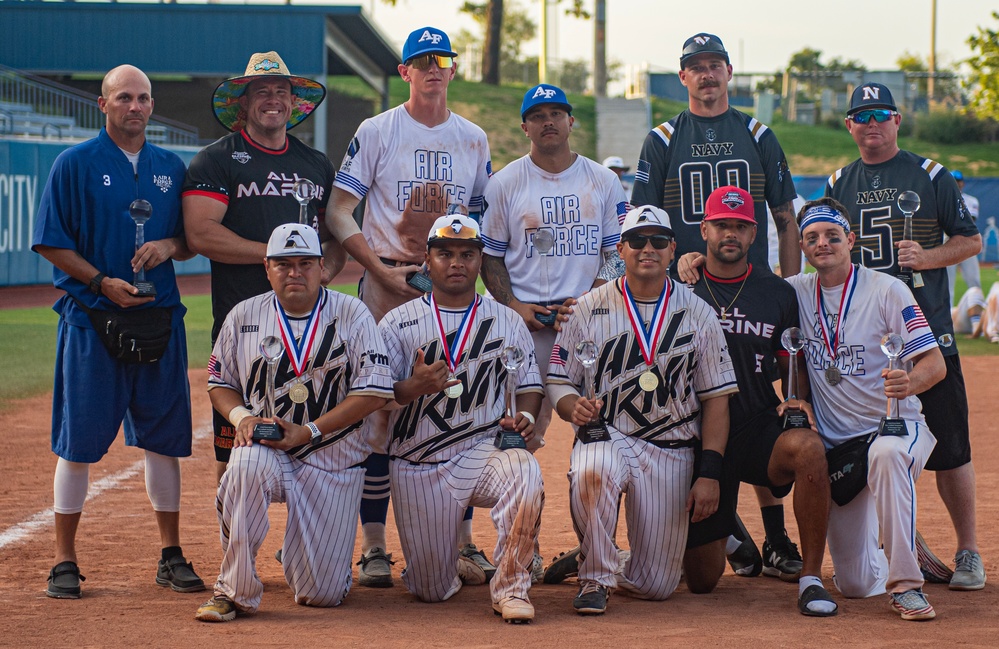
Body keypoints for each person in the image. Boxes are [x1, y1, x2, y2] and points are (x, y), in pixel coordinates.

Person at [324, 26, 493, 587]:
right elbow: (340, 210)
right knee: (377, 408)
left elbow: (476, 225)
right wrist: (377, 269)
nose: (431, 67)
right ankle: (373, 546)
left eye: (440, 58)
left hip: (449, 289)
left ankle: (463, 541)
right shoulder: (378, 130)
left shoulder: (472, 138)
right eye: (420, 60)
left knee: (454, 405)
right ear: (405, 72)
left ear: (452, 68)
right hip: (385, 279)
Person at [630, 33, 802, 571]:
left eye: (715, 65)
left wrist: (788, 289)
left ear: (729, 72)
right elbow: (639, 224)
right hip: (681, 292)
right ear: (682, 77)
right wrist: (673, 257)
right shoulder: (661, 138)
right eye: (695, 67)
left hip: (750, 286)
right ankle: (725, 526)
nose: (706, 75)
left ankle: (773, 538)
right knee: (683, 411)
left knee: (753, 403)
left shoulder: (756, 132)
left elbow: (785, 217)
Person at [32, 65, 203, 599]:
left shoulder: (171, 167)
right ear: (102, 105)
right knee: (78, 442)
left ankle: (170, 554)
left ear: (152, 106)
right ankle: (64, 558)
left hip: (158, 318)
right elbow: (51, 243)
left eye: (144, 98)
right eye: (124, 97)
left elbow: (191, 237)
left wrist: (169, 247)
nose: (136, 106)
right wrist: (100, 281)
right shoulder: (74, 163)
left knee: (163, 440)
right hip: (92, 317)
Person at [825, 82, 986, 591]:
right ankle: (893, 538)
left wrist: (929, 256)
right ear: (849, 126)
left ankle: (969, 552)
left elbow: (972, 240)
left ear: (897, 120)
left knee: (951, 446)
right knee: (868, 443)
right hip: (863, 339)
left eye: (880, 114)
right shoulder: (838, 181)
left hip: (926, 331)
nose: (871, 124)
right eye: (861, 116)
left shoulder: (930, 173)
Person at [194, 224, 394, 622]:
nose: (294, 272)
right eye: (283, 264)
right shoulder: (244, 315)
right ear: (267, 268)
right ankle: (233, 590)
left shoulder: (352, 313)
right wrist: (243, 418)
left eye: (305, 263)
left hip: (332, 458)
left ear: (322, 268)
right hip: (268, 452)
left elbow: (374, 392)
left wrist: (310, 430)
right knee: (244, 466)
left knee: (321, 594)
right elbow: (220, 383)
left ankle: (302, 546)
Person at [546, 205, 738, 615]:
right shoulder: (587, 307)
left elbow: (716, 401)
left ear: (672, 250)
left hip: (672, 445)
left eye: (657, 241)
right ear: (621, 248)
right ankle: (595, 576)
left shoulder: (698, 312)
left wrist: (708, 473)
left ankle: (602, 558)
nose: (646, 248)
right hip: (610, 434)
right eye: (637, 240)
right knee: (590, 468)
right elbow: (558, 378)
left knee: (655, 586)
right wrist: (570, 406)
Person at [182, 51, 344, 484]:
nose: (272, 99)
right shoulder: (215, 160)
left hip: (312, 330)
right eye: (261, 91)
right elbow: (201, 234)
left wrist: (324, 269)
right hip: (244, 325)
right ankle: (235, 548)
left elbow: (336, 235)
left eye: (281, 91)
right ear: (243, 102)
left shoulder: (316, 164)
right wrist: (278, 258)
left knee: (316, 446)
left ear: (294, 103)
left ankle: (304, 549)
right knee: (233, 453)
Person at [378, 214, 544, 623]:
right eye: (445, 253)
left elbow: (531, 384)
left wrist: (523, 415)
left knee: (524, 470)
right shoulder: (398, 322)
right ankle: (447, 564)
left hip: (481, 452)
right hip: (419, 461)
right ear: (428, 260)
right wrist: (412, 386)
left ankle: (511, 587)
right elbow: (376, 397)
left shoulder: (506, 319)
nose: (456, 262)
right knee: (430, 592)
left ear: (479, 260)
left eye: (467, 254)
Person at [677, 186, 835, 616]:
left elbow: (790, 361)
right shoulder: (680, 290)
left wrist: (796, 398)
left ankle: (810, 577)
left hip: (753, 425)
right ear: (704, 230)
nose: (731, 234)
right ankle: (729, 532)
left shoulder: (777, 292)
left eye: (741, 227)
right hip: (694, 436)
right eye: (722, 225)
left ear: (753, 234)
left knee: (808, 448)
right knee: (703, 583)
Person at [786, 199, 946, 620]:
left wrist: (908, 382)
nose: (823, 244)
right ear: (802, 246)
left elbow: (935, 363)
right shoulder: (795, 292)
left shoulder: (886, 289)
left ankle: (907, 585)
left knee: (888, 454)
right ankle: (900, 541)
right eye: (812, 238)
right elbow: (742, 291)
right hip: (842, 448)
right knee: (855, 584)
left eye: (832, 236)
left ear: (850, 240)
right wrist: (691, 266)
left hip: (896, 426)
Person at [480, 83, 628, 450]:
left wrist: (590, 299)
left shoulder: (604, 180)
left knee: (601, 425)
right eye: (537, 116)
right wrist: (515, 307)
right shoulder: (504, 183)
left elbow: (618, 253)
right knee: (519, 431)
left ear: (571, 121)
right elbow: (489, 256)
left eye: (556, 114)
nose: (548, 122)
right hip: (527, 324)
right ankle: (521, 504)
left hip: (590, 321)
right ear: (524, 128)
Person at [947, 170, 982, 305]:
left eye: (958, 180)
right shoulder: (940, 199)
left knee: (974, 281)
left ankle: (977, 314)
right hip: (948, 244)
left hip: (967, 244)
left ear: (963, 183)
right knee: (947, 284)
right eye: (953, 180)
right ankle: (948, 315)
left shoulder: (971, 200)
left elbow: (969, 221)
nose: (956, 183)